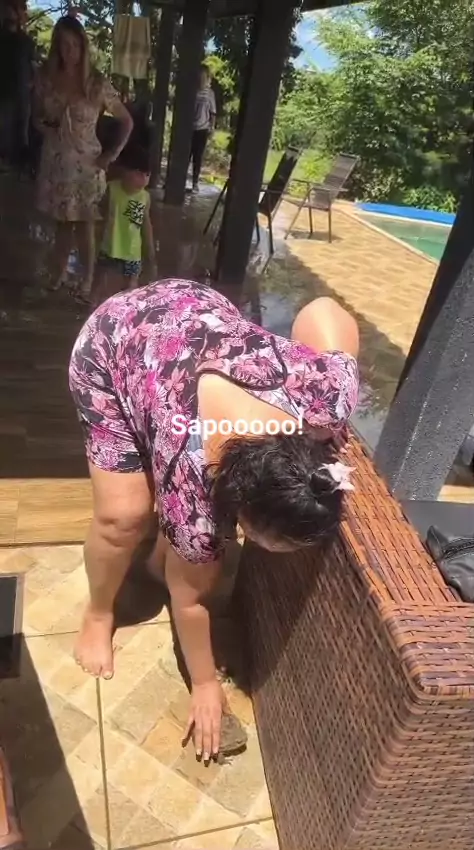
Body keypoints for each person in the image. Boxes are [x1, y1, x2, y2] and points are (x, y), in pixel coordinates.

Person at [69, 279, 359, 761]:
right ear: (234, 506)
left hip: (195, 320)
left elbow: (324, 307)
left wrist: (333, 417)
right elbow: (190, 601)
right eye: (264, 539)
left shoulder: (325, 396)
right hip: (116, 342)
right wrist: (204, 683)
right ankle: (99, 612)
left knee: (171, 537)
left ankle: (157, 555)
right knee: (123, 518)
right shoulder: (193, 495)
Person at [33, 14, 133, 302]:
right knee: (62, 222)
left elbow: (127, 121)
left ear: (83, 46)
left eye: (75, 45)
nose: (70, 52)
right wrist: (46, 128)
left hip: (87, 164)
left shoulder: (96, 83)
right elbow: (36, 117)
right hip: (56, 161)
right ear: (56, 46)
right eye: (64, 45)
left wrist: (111, 155)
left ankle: (87, 279)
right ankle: (59, 272)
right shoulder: (46, 78)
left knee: (85, 224)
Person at [91, 144, 156, 307]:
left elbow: (145, 224)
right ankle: (93, 302)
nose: (143, 179)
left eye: (147, 175)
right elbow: (100, 213)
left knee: (131, 284)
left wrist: (149, 249)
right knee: (100, 275)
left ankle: (125, 308)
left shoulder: (145, 197)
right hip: (109, 246)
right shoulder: (111, 189)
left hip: (132, 251)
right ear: (124, 171)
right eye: (138, 173)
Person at [190, 63, 216, 193]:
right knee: (185, 155)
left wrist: (212, 128)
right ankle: (178, 181)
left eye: (204, 76)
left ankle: (195, 183)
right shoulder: (192, 91)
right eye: (199, 76)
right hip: (189, 128)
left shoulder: (209, 93)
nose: (201, 79)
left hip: (202, 129)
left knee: (198, 157)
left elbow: (213, 113)